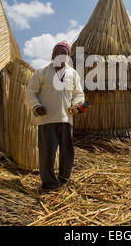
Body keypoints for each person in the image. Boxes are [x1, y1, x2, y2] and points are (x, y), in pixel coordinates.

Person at [26, 41, 85, 191]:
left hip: (66, 119)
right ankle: (49, 184)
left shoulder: (73, 74)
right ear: (52, 54)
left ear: (68, 57)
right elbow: (30, 92)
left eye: (64, 52)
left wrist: (77, 105)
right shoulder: (42, 72)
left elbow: (79, 94)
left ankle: (64, 179)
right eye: (57, 51)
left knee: (67, 152)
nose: (60, 54)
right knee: (47, 154)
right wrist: (36, 106)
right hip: (47, 120)